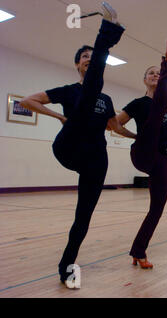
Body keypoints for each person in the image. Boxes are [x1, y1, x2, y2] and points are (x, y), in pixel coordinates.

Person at [19, 2, 131, 288]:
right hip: (68, 147)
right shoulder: (68, 91)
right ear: (77, 63)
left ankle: (66, 265)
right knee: (85, 98)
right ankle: (108, 32)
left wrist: (138, 137)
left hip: (95, 157)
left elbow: (114, 126)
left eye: (92, 57)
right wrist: (59, 116)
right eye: (85, 57)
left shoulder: (105, 100)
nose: (88, 60)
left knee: (84, 216)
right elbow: (26, 100)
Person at [114, 39, 167, 269]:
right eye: (151, 73)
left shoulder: (164, 109)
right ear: (145, 80)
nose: (154, 76)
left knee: (157, 208)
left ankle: (139, 250)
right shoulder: (138, 102)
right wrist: (134, 137)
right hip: (142, 152)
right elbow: (113, 124)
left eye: (157, 73)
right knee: (155, 114)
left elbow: (166, 129)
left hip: (160, 158)